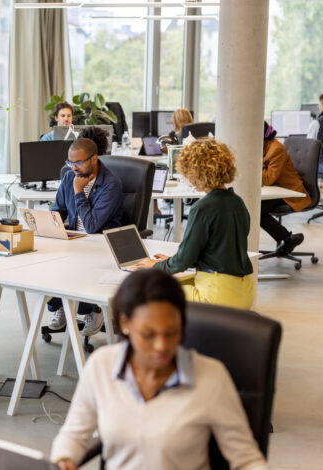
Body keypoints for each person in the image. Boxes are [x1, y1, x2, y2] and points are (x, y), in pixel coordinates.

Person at [51, 269, 269, 470]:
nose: (161, 346)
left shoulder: (211, 377)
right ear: (125, 323)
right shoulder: (102, 365)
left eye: (171, 332)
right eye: (148, 334)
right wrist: (64, 459)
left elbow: (246, 459)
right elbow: (74, 435)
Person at [135, 139, 255, 310]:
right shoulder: (237, 202)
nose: (188, 179)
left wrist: (156, 265)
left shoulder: (203, 208)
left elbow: (183, 261)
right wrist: (171, 261)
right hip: (244, 291)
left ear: (200, 173)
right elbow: (216, 252)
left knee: (150, 289)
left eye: (189, 173)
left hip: (217, 294)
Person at [47, 137, 124, 336]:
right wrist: (49, 225)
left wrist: (79, 191)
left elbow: (91, 226)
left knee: (77, 263)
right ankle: (62, 305)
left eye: (79, 162)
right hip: (76, 239)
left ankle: (93, 310)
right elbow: (58, 209)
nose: (74, 168)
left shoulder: (111, 184)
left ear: (94, 158)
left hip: (101, 243)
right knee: (49, 260)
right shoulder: (69, 177)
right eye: (70, 162)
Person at [261, 122, 309, 255]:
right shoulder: (263, 147)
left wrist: (254, 164)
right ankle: (288, 239)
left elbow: (268, 178)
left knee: (256, 209)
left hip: (288, 191)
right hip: (274, 189)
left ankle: (288, 239)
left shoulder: (276, 149)